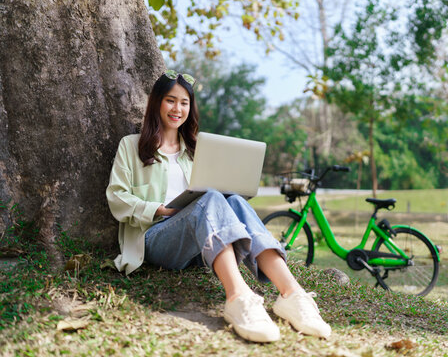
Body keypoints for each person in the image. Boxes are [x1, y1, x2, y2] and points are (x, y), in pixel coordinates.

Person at [106, 70, 331, 343]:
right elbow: (117, 197)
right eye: (170, 100)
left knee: (232, 199)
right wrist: (160, 209)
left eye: (184, 102)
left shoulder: (196, 150)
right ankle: (238, 297)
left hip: (199, 243)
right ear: (156, 103)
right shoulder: (132, 146)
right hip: (154, 238)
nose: (178, 108)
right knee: (209, 198)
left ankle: (292, 295)